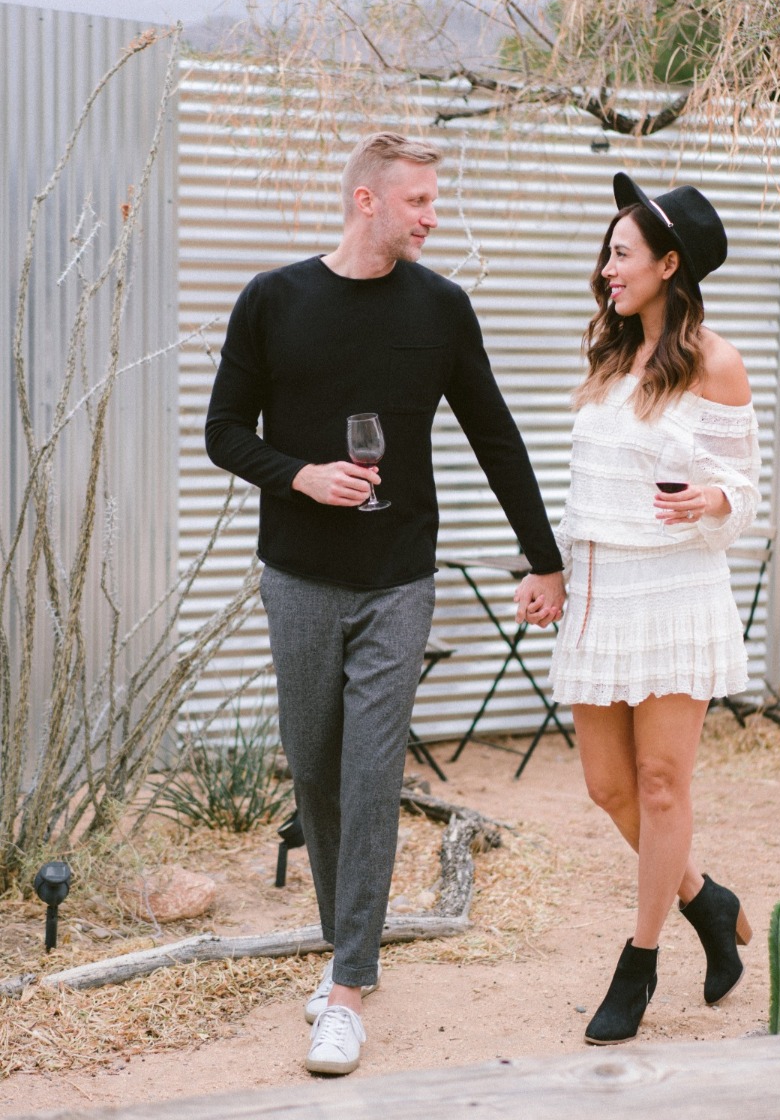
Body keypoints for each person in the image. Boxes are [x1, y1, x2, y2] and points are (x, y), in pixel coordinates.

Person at [205, 132, 565, 1076]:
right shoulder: (274, 300)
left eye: (433, 202)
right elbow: (222, 432)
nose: (432, 216)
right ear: (368, 201)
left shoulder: (442, 308)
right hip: (298, 577)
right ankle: (344, 948)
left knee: (372, 771)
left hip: (400, 577)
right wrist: (301, 477)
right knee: (316, 769)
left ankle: (350, 986)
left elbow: (494, 431)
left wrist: (546, 557)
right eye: (418, 202)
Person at [516, 172, 760, 1045]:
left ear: (668, 263)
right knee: (607, 786)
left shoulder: (715, 361)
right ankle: (704, 898)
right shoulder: (610, 356)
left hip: (674, 590)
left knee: (662, 786)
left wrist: (715, 502)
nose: (607, 268)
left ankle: (641, 960)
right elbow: (585, 487)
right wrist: (550, 574)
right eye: (607, 253)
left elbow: (744, 487)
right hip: (601, 591)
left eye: (622, 254)